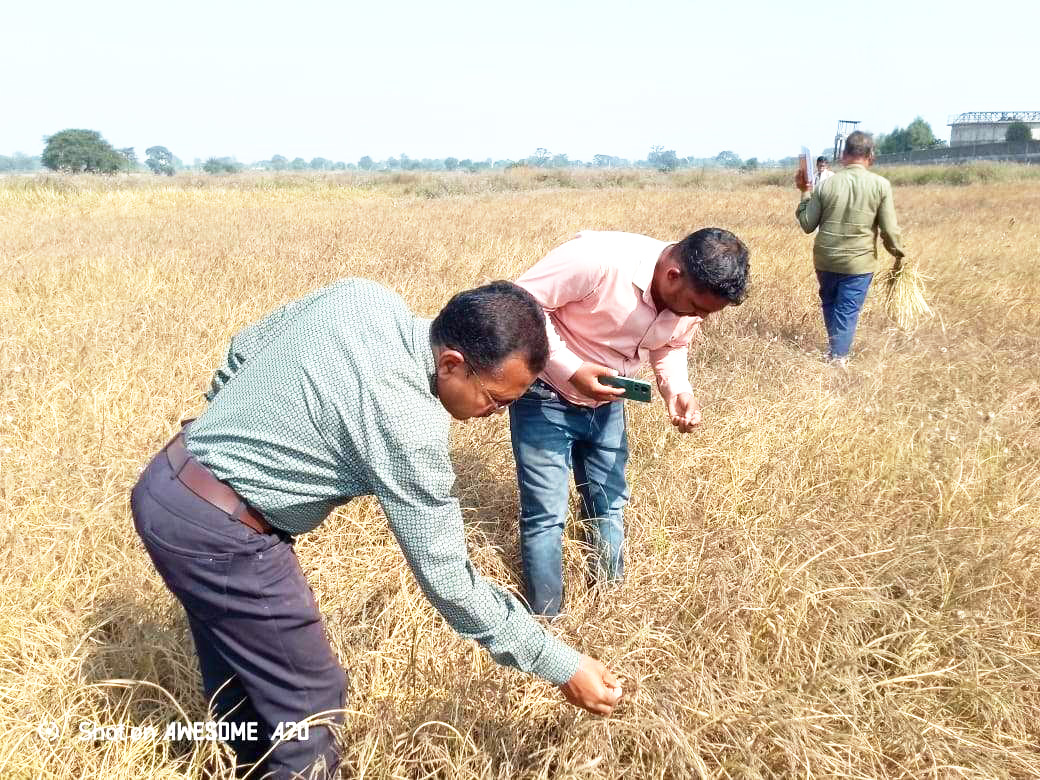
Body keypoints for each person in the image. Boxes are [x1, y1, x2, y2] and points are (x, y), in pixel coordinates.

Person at [130, 278, 623, 780]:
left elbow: (245, 347)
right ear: (452, 363)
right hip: (221, 533)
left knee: (244, 677)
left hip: (169, 480)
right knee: (309, 703)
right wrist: (560, 664)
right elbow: (451, 584)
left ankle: (251, 768)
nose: (496, 414)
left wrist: (227, 433)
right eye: (495, 399)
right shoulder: (408, 426)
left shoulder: (364, 297)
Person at [509, 228, 750, 617]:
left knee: (609, 505)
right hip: (544, 395)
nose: (699, 317)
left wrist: (678, 390)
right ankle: (547, 625)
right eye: (695, 307)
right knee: (546, 514)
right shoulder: (597, 260)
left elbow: (673, 344)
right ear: (673, 274)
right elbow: (519, 305)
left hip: (608, 402)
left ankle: (609, 611)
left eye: (706, 313)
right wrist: (570, 368)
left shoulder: (689, 299)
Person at [796, 131, 905, 364]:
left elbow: (807, 224)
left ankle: (835, 350)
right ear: (871, 156)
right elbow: (889, 230)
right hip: (859, 263)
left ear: (843, 155)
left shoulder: (826, 185)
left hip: (826, 259)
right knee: (846, 310)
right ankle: (839, 359)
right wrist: (898, 254)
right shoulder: (881, 185)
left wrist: (804, 191)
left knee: (830, 303)